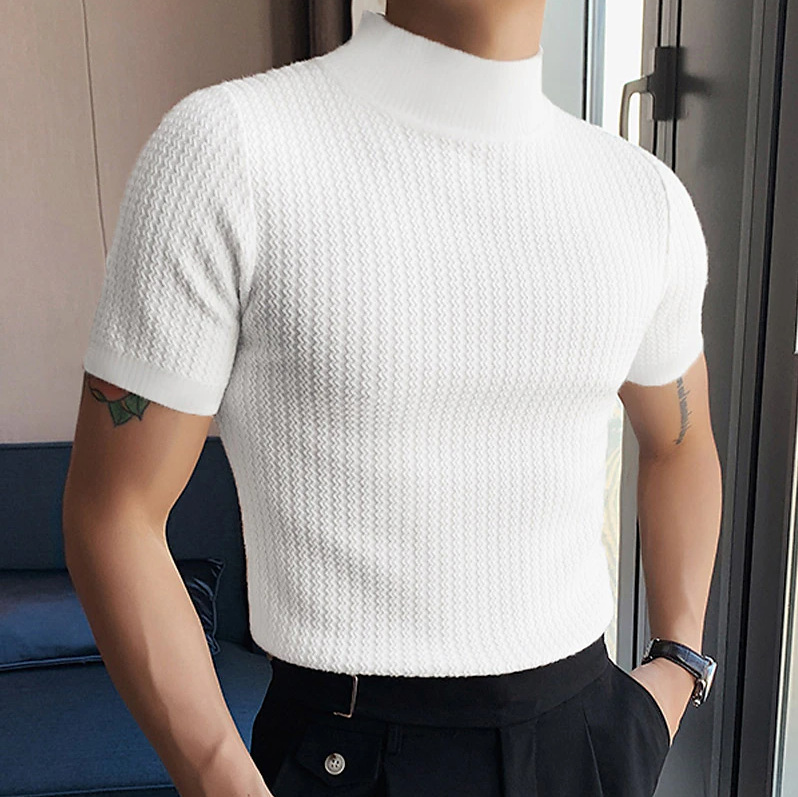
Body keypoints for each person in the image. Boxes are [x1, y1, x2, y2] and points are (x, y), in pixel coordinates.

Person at [63, 1, 723, 795]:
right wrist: (219, 775)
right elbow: (113, 512)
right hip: (345, 746)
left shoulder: (644, 200)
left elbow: (681, 441)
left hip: (583, 735)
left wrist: (678, 663)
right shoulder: (228, 152)